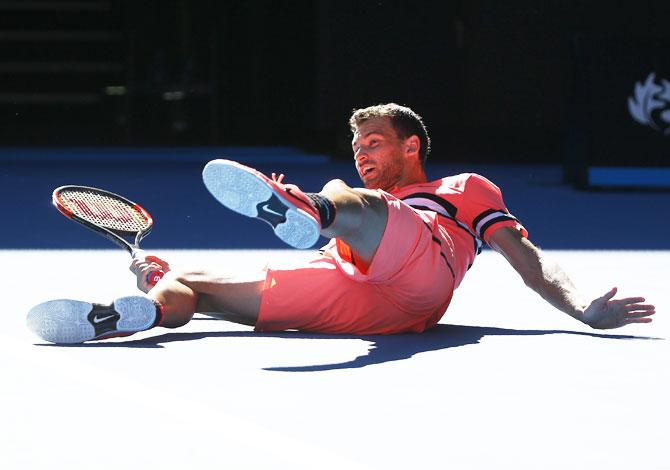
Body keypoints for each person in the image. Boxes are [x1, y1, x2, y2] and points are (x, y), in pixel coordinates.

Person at [27, 103, 655, 344]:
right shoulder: (364, 189)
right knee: (190, 280)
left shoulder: (462, 189)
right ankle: (129, 315)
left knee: (352, 202)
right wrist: (155, 278)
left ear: (412, 147)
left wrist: (582, 309)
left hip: (420, 276)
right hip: (353, 293)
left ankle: (312, 211)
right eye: (357, 147)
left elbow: (531, 261)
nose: (363, 154)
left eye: (375, 143)